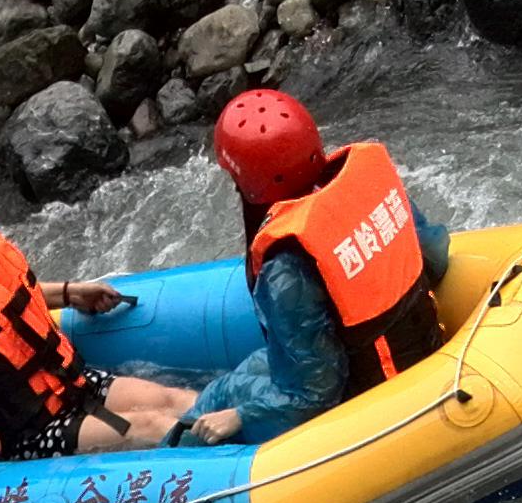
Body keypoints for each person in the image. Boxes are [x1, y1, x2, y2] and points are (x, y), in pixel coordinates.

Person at [0, 166, 225, 463]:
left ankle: (255, 427)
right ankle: (241, 467)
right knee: (151, 426)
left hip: (68, 385)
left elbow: (9, 305)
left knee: (173, 400)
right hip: (27, 431)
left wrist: (70, 293)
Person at [180, 90, 451, 447]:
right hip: (427, 348)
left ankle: (172, 452)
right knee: (249, 373)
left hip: (371, 397)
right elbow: (434, 256)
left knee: (206, 414)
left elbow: (314, 393)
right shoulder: (363, 184)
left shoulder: (286, 270)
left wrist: (240, 417)